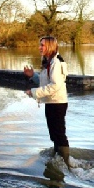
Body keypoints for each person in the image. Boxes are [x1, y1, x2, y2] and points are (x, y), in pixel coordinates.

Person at [24, 36, 71, 167]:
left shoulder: (56, 63)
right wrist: (32, 76)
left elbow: (55, 85)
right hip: (51, 102)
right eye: (40, 45)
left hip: (57, 103)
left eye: (42, 45)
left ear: (50, 46)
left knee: (59, 134)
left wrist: (33, 92)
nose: (39, 47)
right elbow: (45, 82)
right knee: (54, 134)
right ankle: (59, 159)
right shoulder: (48, 62)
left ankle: (66, 164)